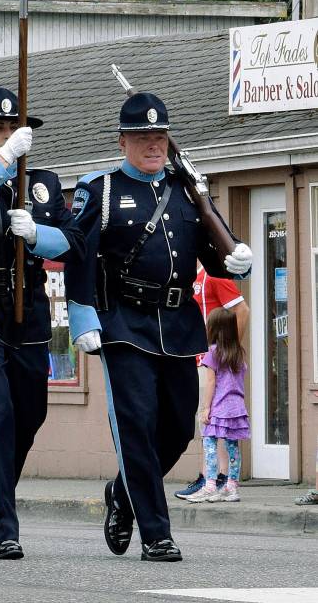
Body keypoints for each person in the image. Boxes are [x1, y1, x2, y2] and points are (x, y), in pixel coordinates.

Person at [65, 91, 253, 562]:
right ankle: (156, 532)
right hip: (124, 323)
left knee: (177, 427)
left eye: (159, 136)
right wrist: (83, 315)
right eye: (143, 137)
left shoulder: (186, 189)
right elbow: (79, 253)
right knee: (137, 426)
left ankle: (123, 494)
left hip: (176, 322)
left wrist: (235, 260)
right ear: (123, 140)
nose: (153, 144)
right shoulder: (102, 189)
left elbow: (211, 253)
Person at [0, 87, 82, 560]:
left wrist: (39, 234)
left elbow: (74, 242)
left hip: (28, 308)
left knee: (30, 414)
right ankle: (4, 524)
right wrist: (4, 160)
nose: (6, 135)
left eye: (12, 128)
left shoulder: (42, 182)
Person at [175, 264, 249, 499]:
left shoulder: (213, 273)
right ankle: (212, 478)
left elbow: (242, 310)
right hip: (195, 357)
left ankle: (216, 479)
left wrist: (227, 354)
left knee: (212, 423)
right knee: (208, 424)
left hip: (210, 361)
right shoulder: (187, 271)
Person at [186, 307, 249, 503]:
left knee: (210, 444)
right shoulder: (239, 353)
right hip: (236, 407)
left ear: (213, 328)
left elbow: (211, 383)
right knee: (233, 447)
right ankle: (232, 487)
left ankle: (210, 486)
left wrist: (206, 408)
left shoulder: (212, 353)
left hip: (219, 407)